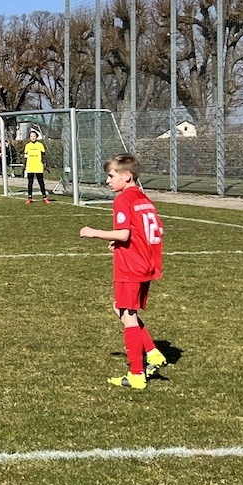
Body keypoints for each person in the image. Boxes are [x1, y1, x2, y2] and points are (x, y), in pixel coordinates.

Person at [79, 153, 166, 390]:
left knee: (127, 315)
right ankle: (153, 352)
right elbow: (156, 230)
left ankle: (136, 374)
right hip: (145, 262)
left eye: (111, 176)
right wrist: (122, 242)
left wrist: (93, 232)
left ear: (127, 176)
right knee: (120, 307)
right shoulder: (144, 199)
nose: (108, 181)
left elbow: (124, 233)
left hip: (130, 266)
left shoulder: (123, 199)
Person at [23, 128, 52, 203]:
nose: (32, 137)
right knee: (30, 183)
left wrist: (45, 164)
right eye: (31, 136)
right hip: (30, 166)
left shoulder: (40, 145)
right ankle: (29, 198)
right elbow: (25, 156)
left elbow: (43, 156)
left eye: (34, 136)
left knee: (41, 182)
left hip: (38, 166)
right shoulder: (27, 146)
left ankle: (44, 197)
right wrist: (24, 166)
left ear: (36, 137)